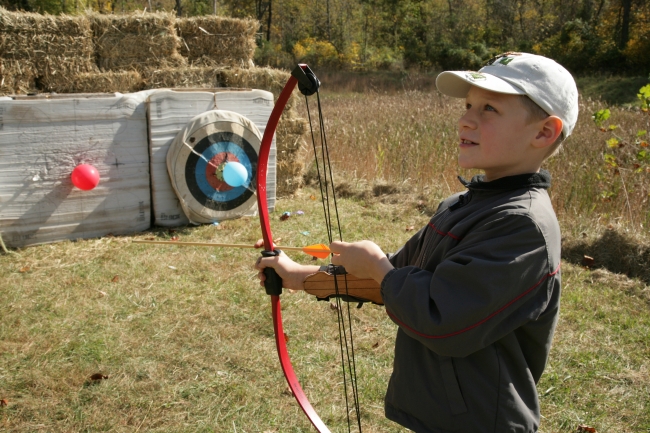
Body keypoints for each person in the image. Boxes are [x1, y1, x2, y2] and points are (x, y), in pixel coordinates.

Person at [255, 52, 579, 433]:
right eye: (468, 105)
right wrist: (296, 276)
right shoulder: (462, 205)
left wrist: (378, 267)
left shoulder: (523, 228)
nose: (465, 120)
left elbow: (441, 317)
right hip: (442, 417)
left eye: (489, 109)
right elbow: (393, 279)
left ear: (544, 133)